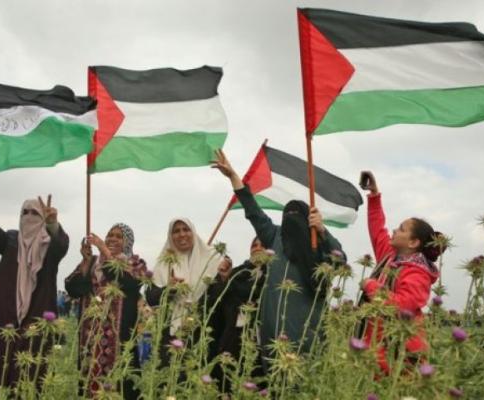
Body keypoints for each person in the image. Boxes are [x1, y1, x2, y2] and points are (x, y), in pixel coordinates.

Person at [212, 150, 345, 360]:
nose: (291, 221)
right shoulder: (275, 237)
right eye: (287, 216)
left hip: (309, 332)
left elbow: (340, 260)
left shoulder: (317, 243)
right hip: (273, 334)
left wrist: (322, 231)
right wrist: (233, 177)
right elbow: (253, 211)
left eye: (297, 217)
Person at [0, 181, 69, 398]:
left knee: (30, 369)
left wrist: (53, 224)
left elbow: (62, 244)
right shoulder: (10, 241)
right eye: (24, 212)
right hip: (3, 313)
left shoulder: (51, 245)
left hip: (37, 316)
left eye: (35, 213)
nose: (29, 217)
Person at [359, 171, 443, 373]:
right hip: (378, 348)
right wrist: (374, 195)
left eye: (401, 229)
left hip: (400, 355)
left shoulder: (418, 274)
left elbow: (402, 305)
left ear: (413, 243)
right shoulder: (390, 257)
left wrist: (371, 286)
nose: (395, 231)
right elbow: (377, 229)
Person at [65, 223, 146, 398]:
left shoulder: (135, 263)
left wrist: (104, 250)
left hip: (119, 338)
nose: (112, 239)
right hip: (89, 338)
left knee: (121, 385)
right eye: (110, 235)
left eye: (118, 236)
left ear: (128, 242)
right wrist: (86, 262)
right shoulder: (93, 263)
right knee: (89, 381)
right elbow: (73, 288)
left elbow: (128, 283)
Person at [146, 218, 230, 344]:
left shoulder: (213, 259)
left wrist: (224, 277)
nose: (182, 234)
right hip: (171, 334)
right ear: (170, 236)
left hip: (205, 330)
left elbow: (221, 294)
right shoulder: (163, 264)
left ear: (193, 232)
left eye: (186, 229)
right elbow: (151, 298)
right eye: (176, 231)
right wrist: (169, 289)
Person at [205, 237, 270, 387]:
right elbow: (215, 302)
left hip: (259, 342)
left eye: (263, 245)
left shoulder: (273, 276)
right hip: (232, 340)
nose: (257, 248)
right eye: (254, 245)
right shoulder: (237, 274)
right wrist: (223, 278)